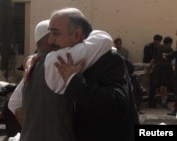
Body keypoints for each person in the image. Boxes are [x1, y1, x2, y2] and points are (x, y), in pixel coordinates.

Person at [10, 8, 114, 141]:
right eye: (53, 33)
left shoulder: (34, 65)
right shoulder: (60, 60)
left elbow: (13, 103)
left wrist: (35, 126)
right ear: (49, 39)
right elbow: (104, 40)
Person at [51, 11, 139, 141]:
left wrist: (74, 80)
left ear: (76, 35)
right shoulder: (68, 60)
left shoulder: (110, 60)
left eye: (55, 33)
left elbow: (118, 105)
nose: (50, 40)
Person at [147, 36, 174, 108]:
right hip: (167, 69)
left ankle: (151, 103)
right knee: (164, 85)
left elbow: (153, 59)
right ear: (170, 42)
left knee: (153, 85)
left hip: (157, 68)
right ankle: (164, 101)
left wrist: (149, 68)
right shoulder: (170, 49)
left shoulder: (157, 47)